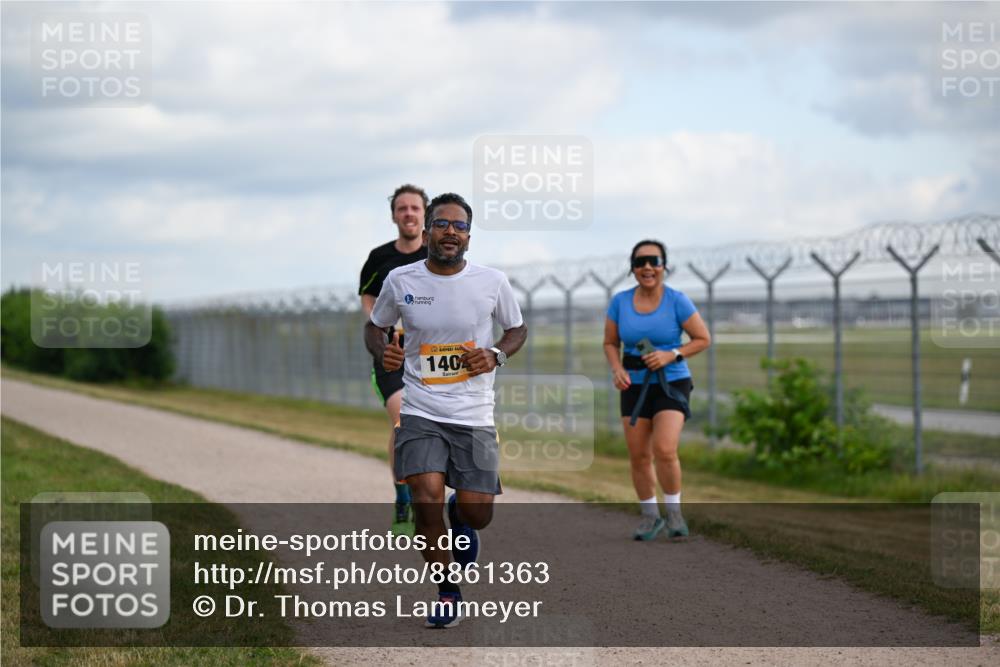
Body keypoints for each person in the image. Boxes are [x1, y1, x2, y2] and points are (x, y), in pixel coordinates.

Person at [365, 192, 527, 628]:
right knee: (425, 498)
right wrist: (384, 353)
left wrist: (495, 354)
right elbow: (374, 326)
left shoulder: (492, 282)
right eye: (442, 224)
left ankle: (461, 515)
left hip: (473, 412)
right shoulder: (401, 280)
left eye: (459, 226)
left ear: (469, 237)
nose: (450, 232)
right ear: (428, 230)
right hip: (420, 407)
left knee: (478, 514)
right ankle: (447, 592)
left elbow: (516, 329)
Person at [603, 240, 711, 541]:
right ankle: (650, 517)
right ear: (632, 268)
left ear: (664, 265)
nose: (647, 267)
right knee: (638, 455)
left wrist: (672, 354)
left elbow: (702, 339)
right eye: (640, 262)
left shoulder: (677, 300)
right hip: (632, 384)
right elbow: (611, 342)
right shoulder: (620, 302)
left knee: (664, 448)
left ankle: (674, 512)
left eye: (654, 260)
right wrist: (617, 368)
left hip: (671, 382)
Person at [359, 184, 429, 536]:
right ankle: (405, 497)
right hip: (392, 356)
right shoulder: (379, 258)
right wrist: (385, 324)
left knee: (429, 426)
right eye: (402, 208)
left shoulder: (438, 255)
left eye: (415, 208)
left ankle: (425, 493)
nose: (409, 214)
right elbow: (368, 298)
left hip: (431, 357)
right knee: (403, 420)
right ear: (393, 216)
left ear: (425, 213)